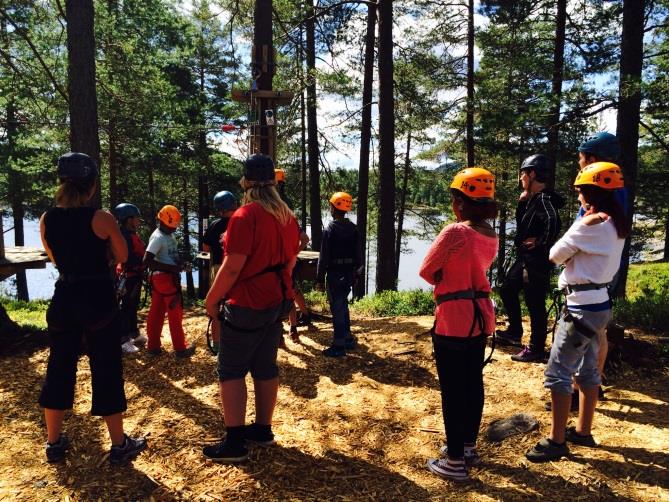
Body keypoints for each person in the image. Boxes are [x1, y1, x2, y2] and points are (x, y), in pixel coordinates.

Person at [38, 152, 146, 465]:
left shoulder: (47, 219)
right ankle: (119, 444)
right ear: (92, 184)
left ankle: (54, 442)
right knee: (106, 367)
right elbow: (124, 255)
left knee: (59, 366)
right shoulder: (101, 218)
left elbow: (54, 258)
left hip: (64, 298)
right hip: (97, 299)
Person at [526, 161, 629, 462]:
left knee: (558, 372)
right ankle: (583, 431)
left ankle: (557, 441)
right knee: (588, 369)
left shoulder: (591, 225)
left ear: (591, 194)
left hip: (580, 308)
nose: (579, 199)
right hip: (598, 306)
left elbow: (554, 254)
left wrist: (580, 221)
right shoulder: (616, 223)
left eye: (581, 192)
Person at [203, 154, 300, 463]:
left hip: (247, 303)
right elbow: (291, 262)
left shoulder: (245, 216)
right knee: (265, 366)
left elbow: (232, 268)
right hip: (276, 302)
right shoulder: (287, 216)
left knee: (231, 370)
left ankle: (234, 443)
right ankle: (262, 429)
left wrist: (211, 299)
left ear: (244, 183)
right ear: (273, 181)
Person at [419, 167, 498, 482]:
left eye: (454, 199)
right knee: (472, 382)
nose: (453, 205)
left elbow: (427, 270)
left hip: (453, 318)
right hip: (479, 316)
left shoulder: (455, 232)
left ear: (462, 202)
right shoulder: (489, 234)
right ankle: (467, 447)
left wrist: (444, 275)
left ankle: (453, 462)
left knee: (452, 390)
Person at [497, 154, 564, 362]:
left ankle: (535, 348)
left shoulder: (544, 198)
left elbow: (553, 222)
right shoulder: (532, 199)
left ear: (532, 174)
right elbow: (523, 226)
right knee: (507, 288)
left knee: (535, 302)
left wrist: (541, 243)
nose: (521, 178)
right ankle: (515, 332)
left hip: (536, 260)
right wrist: (522, 203)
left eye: (523, 174)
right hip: (526, 257)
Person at [144, 205, 196, 358]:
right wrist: (172, 269)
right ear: (162, 222)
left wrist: (180, 264)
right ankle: (180, 349)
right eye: (171, 227)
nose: (174, 229)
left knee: (157, 312)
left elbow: (170, 254)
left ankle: (153, 347)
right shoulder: (158, 237)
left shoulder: (168, 234)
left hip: (162, 278)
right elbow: (147, 261)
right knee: (174, 313)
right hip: (165, 279)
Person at [315, 192, 361, 357]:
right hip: (349, 274)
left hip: (335, 274)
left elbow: (323, 256)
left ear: (334, 208)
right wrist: (356, 274)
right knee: (343, 305)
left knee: (337, 308)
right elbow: (358, 255)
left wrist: (319, 279)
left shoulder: (330, 229)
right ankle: (347, 339)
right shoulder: (353, 229)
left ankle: (339, 345)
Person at [274, 168, 313, 344]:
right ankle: (294, 327)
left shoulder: (270, 204)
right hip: (289, 259)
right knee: (290, 291)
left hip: (276, 259)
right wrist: (294, 252)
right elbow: (304, 238)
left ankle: (280, 332)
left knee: (278, 294)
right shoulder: (286, 203)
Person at [202, 190, 238, 354]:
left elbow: (206, 248)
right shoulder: (241, 222)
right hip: (238, 269)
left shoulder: (215, 225)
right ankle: (237, 342)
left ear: (219, 208)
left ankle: (217, 344)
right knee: (237, 304)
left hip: (218, 268)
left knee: (216, 306)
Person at [114, 203, 148, 355]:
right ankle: (123, 340)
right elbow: (126, 258)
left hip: (135, 275)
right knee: (125, 307)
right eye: (136, 218)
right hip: (128, 276)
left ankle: (134, 334)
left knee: (132, 305)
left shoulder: (131, 234)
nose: (139, 221)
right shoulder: (125, 236)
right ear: (128, 220)